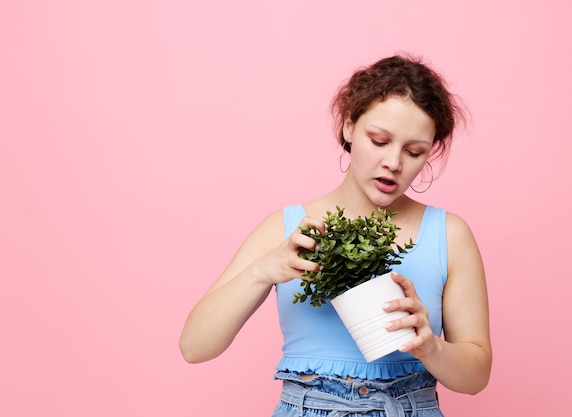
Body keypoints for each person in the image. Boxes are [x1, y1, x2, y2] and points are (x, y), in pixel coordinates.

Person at [179, 54, 492, 416]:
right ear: (348, 128)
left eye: (414, 151)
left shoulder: (449, 234)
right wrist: (264, 270)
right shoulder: (286, 228)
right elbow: (194, 347)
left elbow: (476, 376)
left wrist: (431, 348)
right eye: (378, 140)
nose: (394, 162)